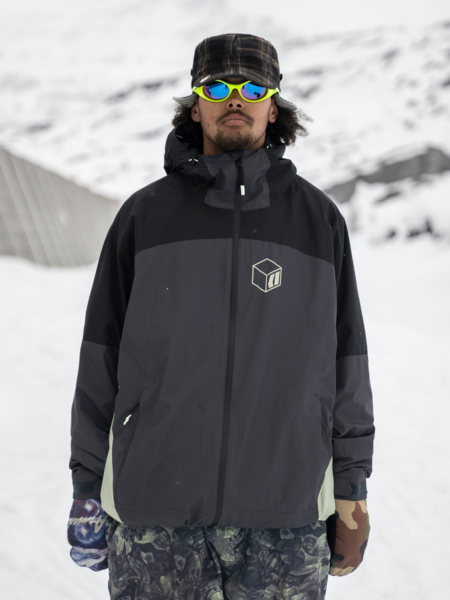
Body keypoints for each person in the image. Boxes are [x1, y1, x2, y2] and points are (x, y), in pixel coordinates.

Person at [67, 33, 375, 599]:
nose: (236, 98)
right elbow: (100, 363)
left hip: (286, 520)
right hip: (156, 517)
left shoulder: (318, 220)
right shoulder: (144, 217)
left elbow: (347, 364)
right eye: (218, 88)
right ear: (195, 105)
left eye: (253, 88)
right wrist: (87, 487)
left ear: (274, 107)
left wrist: (351, 492)